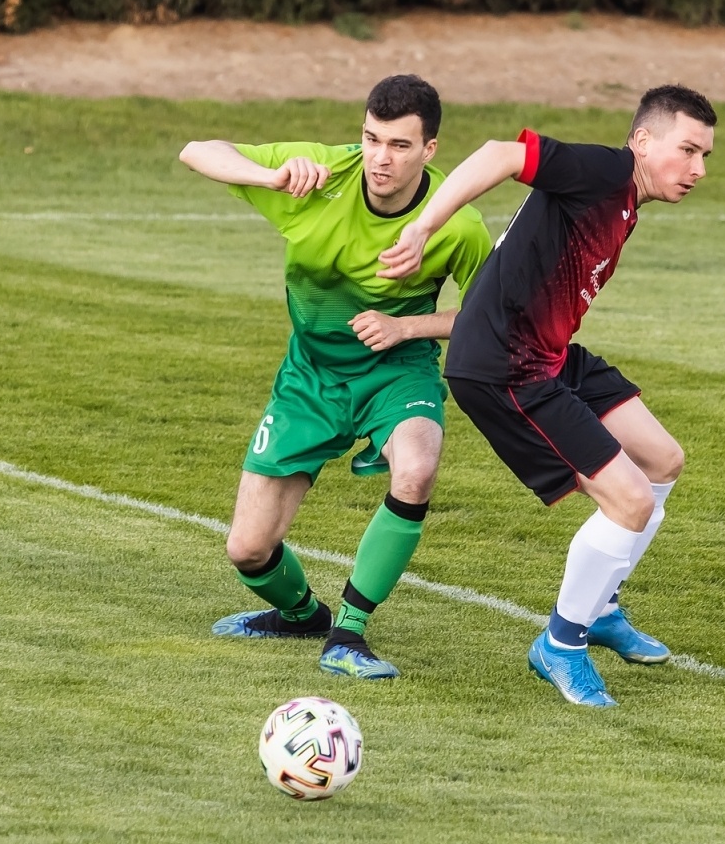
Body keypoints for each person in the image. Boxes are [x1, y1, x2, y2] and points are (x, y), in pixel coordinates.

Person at [378, 84, 716, 707]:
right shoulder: (606, 171)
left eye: (705, 156)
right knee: (628, 499)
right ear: (643, 141)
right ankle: (561, 644)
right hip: (505, 368)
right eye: (688, 150)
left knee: (662, 459)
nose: (697, 169)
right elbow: (500, 153)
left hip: (550, 355)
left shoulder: (624, 201)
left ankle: (601, 606)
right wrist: (422, 227)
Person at [179, 75, 492, 680]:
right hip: (310, 377)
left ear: (430, 150)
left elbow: (493, 319)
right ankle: (302, 616)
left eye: (399, 145)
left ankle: (348, 633)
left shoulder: (457, 223)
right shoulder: (321, 176)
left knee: (418, 468)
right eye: (372, 139)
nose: (380, 158)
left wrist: (407, 327)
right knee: (248, 549)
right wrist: (268, 177)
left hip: (396, 373)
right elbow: (198, 150)